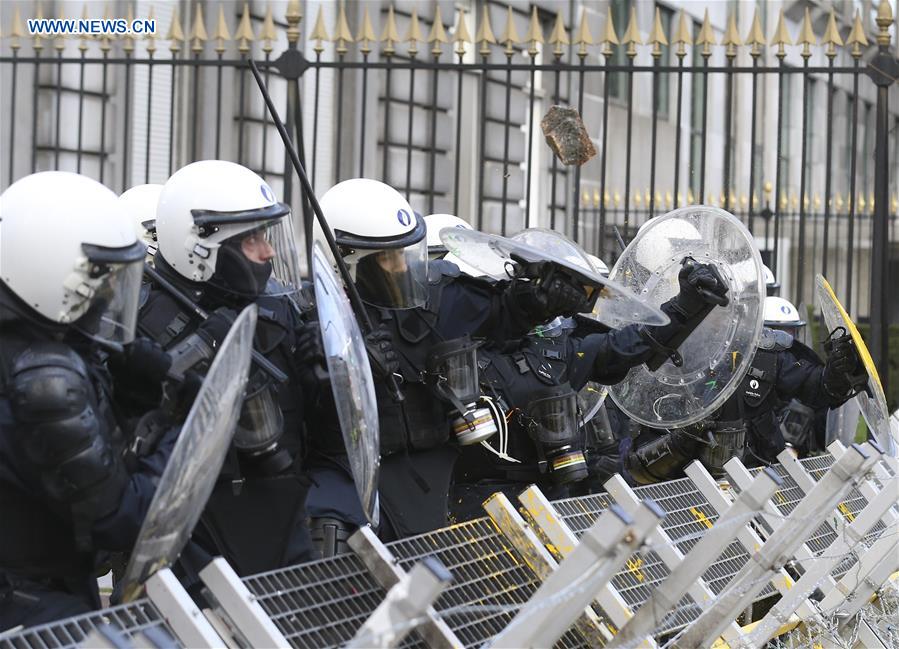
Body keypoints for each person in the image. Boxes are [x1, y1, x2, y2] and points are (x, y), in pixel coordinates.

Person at [312, 178, 618, 543]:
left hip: (433, 480)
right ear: (344, 258)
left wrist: (534, 301)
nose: (400, 267)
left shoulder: (434, 303)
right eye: (385, 258)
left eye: (403, 253)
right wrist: (347, 362)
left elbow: (494, 315)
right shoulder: (313, 319)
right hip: (354, 481)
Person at [0, 172, 179, 629]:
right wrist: (181, 437)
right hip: (36, 609)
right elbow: (116, 517)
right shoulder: (45, 380)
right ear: (46, 269)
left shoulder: (37, 345)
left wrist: (139, 390)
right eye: (99, 278)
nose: (108, 296)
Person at [137, 160, 323, 575]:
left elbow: (317, 440)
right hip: (189, 545)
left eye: (267, 235)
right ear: (201, 246)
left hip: (283, 532)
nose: (269, 251)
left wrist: (321, 381)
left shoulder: (277, 313)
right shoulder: (145, 327)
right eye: (252, 239)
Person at [450, 250, 733, 521]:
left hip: (550, 501)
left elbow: (628, 344)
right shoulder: (446, 356)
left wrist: (685, 304)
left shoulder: (551, 352)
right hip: (471, 506)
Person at [619, 319, 865, 484]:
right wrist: (688, 435)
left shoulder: (759, 349)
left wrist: (837, 373)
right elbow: (638, 466)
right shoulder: (654, 357)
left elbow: (816, 390)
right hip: (679, 493)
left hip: (757, 485)